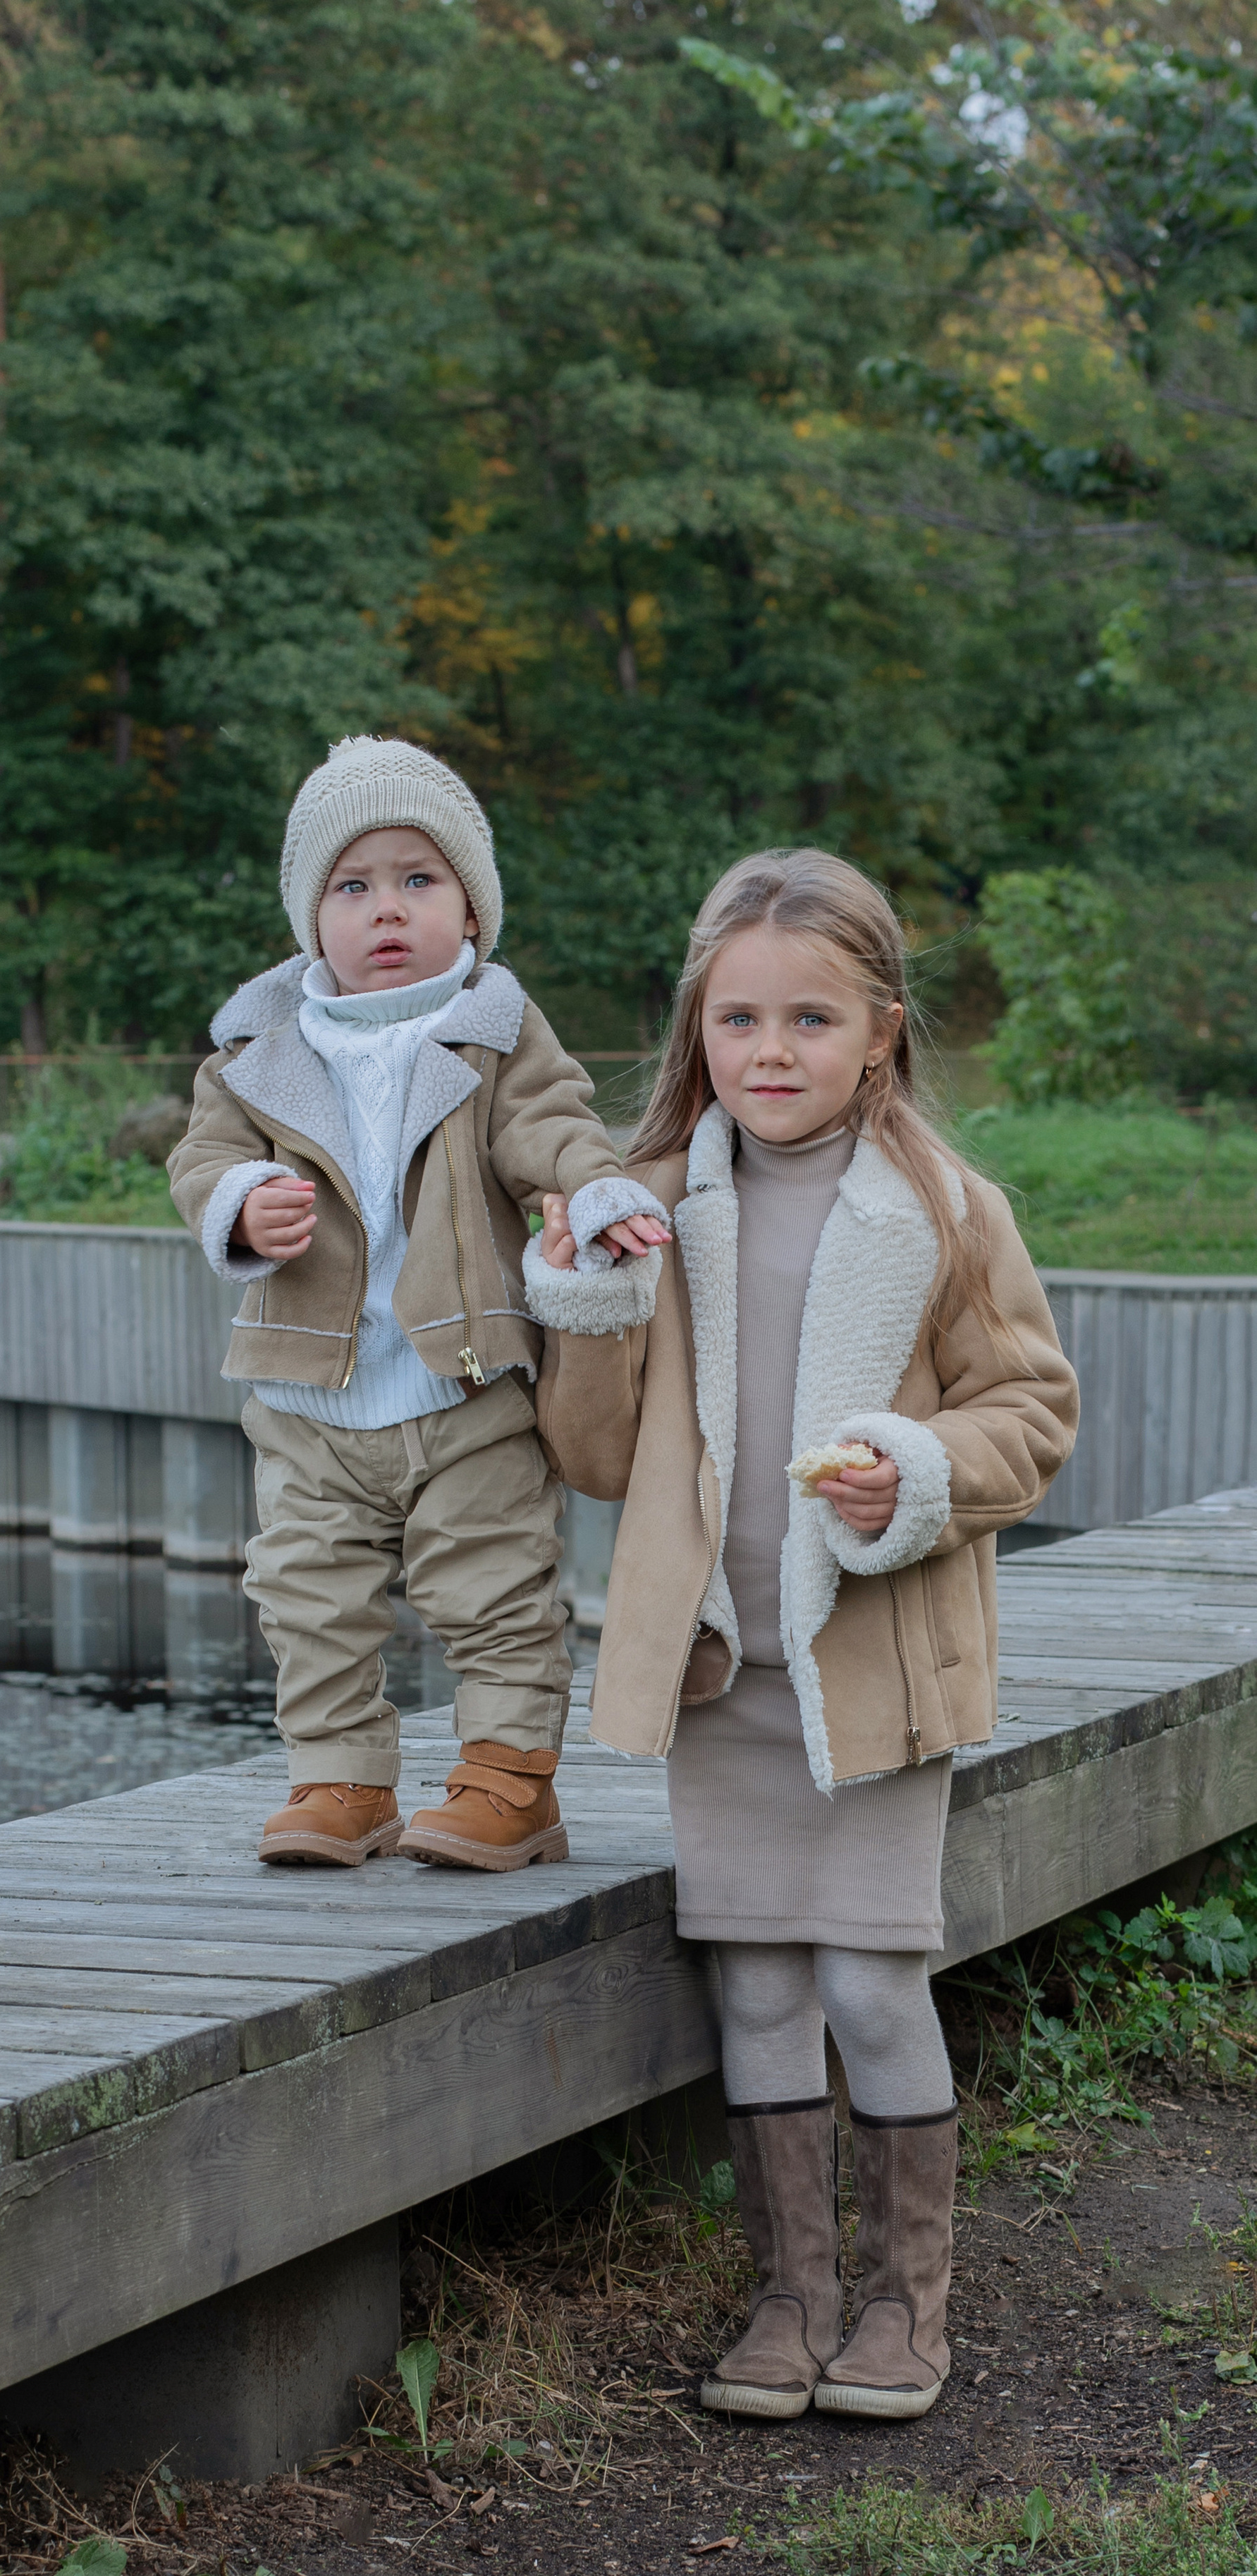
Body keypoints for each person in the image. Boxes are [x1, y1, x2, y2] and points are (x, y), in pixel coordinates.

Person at [527, 848, 1078, 2422]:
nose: (769, 1054)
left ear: (881, 1031)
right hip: (722, 1681)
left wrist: (912, 1475)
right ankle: (791, 2296)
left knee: (864, 1985)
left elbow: (1028, 1411)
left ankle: (909, 2307)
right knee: (755, 1988)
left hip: (869, 1675)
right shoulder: (654, 1218)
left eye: (809, 1020)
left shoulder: (943, 1212)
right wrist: (576, 1305)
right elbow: (589, 1455)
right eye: (737, 1019)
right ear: (696, 1028)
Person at [168, 734, 666, 1872]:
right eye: (354, 886)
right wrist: (242, 1202)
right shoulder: (258, 1047)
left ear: (472, 912)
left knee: (493, 1585)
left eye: (418, 880)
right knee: (307, 1595)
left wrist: (590, 1191)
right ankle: (340, 1780)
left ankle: (507, 1779)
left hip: (465, 1378)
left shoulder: (493, 1032)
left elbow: (553, 1125)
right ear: (312, 919)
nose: (386, 910)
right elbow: (202, 1159)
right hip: (309, 1391)